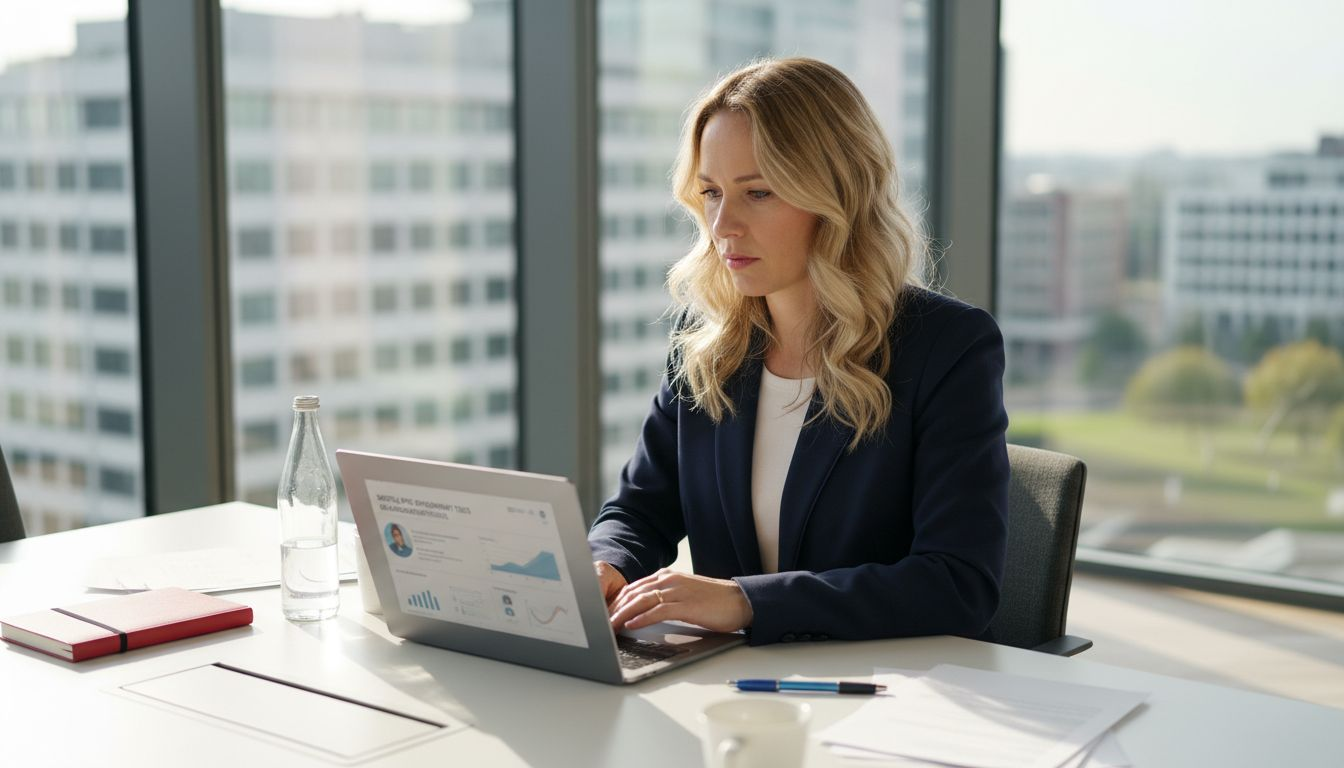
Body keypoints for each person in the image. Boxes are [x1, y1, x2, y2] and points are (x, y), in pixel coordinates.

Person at [587, 57, 1009, 646]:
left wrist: (745, 603)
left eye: (757, 192)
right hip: (730, 692)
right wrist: (606, 566)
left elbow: (959, 583)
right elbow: (638, 512)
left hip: (877, 694)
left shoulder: (947, 348)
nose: (723, 225)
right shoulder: (706, 345)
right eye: (711, 193)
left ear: (836, 194)